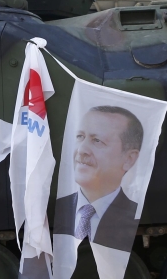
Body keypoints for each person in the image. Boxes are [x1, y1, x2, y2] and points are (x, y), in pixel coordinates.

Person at [55, 106, 143, 251]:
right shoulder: (59, 208)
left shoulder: (133, 214)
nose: (81, 150)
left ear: (129, 158)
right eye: (80, 137)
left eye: (97, 140)